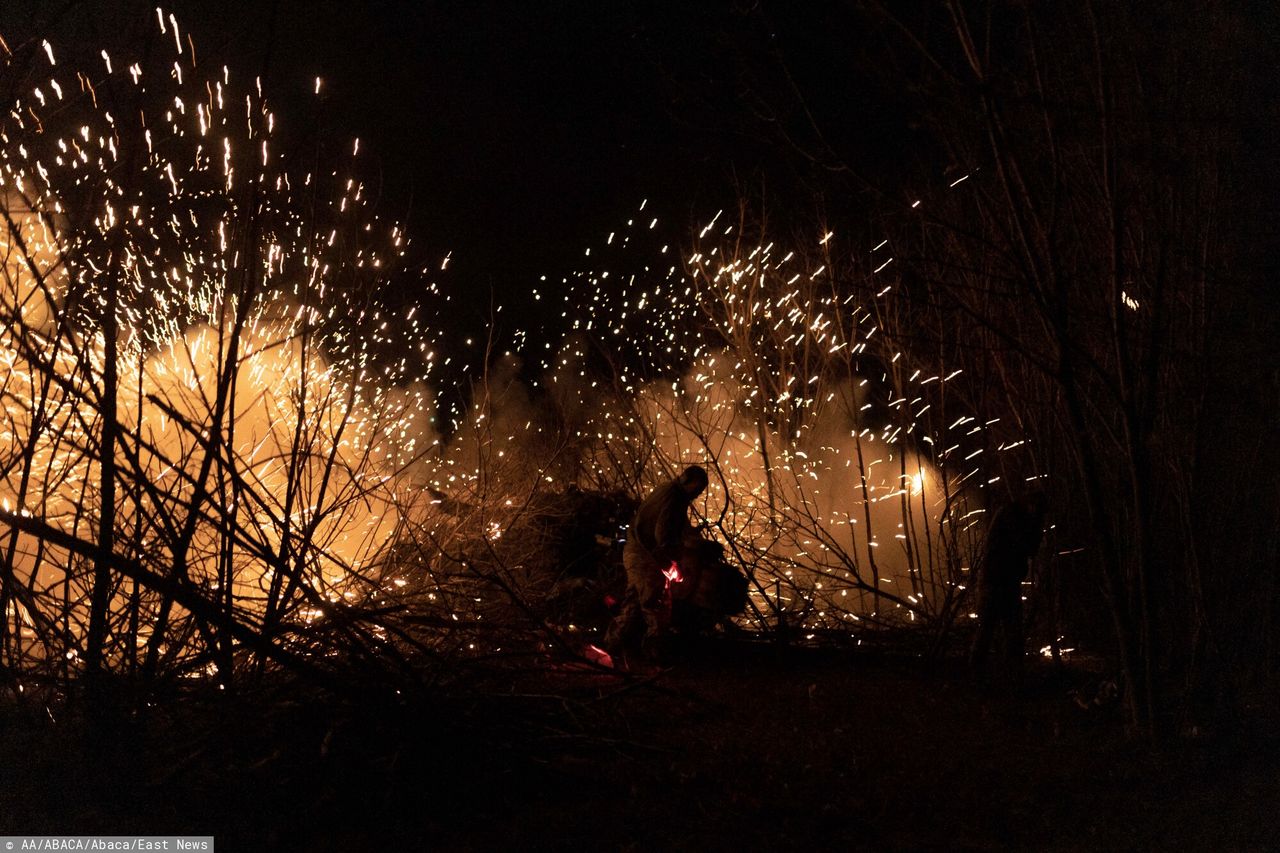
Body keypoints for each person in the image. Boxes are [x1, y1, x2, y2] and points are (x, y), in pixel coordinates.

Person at [604, 465, 709, 663]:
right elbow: (663, 533)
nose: (697, 494)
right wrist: (671, 563)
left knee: (636, 601)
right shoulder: (675, 496)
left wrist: (691, 536)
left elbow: (673, 526)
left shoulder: (668, 490)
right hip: (644, 555)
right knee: (656, 603)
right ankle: (654, 654)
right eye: (698, 489)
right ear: (688, 481)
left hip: (638, 552)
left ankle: (614, 647)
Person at [970, 490, 1048, 682]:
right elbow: (1028, 546)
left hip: (1005, 580)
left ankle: (1009, 678)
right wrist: (1037, 524)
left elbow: (1030, 548)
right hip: (996, 581)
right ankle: (979, 676)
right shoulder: (1011, 516)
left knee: (1009, 632)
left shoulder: (1014, 514)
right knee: (991, 629)